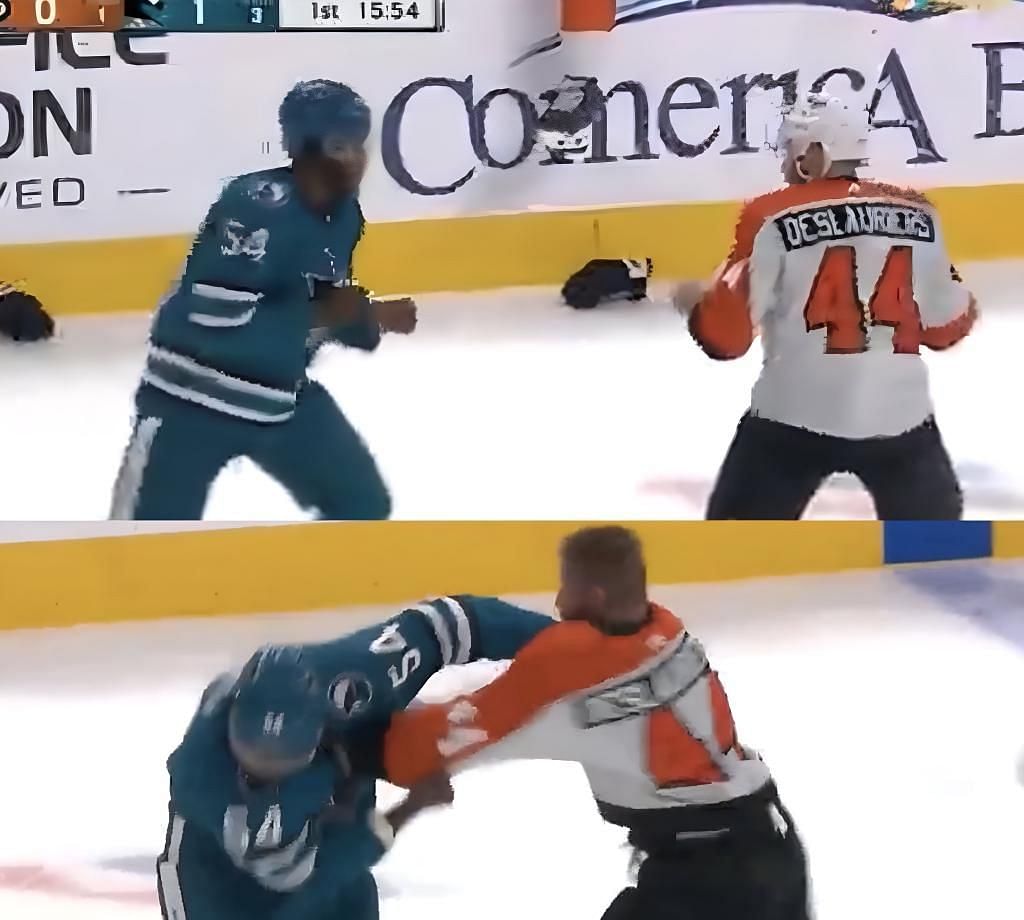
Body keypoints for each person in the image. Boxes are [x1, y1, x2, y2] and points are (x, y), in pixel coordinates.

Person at [373, 526, 811, 920]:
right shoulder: (668, 634)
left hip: (705, 886)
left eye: (568, 588)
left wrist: (352, 732)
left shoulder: (573, 680)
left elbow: (422, 749)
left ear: (597, 597)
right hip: (775, 844)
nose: (560, 602)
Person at [110, 79, 415, 520]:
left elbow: (322, 306)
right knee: (140, 547)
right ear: (300, 148)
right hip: (190, 402)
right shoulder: (255, 206)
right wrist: (336, 312)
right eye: (336, 145)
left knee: (361, 505)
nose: (352, 159)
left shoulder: (344, 215)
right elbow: (212, 315)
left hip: (278, 399)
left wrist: (367, 320)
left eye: (356, 145)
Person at [673, 91, 978, 520]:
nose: (784, 163)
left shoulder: (769, 214)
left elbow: (727, 339)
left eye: (791, 150)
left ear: (815, 152)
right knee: (940, 550)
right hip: (900, 418)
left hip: (793, 418)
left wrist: (694, 304)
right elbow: (947, 328)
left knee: (735, 538)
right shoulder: (919, 213)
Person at [158, 594, 554, 920]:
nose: (264, 774)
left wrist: (570, 648)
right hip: (217, 897)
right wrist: (406, 808)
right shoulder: (200, 777)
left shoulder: (357, 677)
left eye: (284, 764)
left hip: (337, 882)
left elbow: (452, 624)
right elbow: (314, 875)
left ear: (319, 727)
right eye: (250, 758)